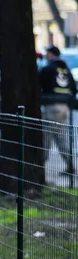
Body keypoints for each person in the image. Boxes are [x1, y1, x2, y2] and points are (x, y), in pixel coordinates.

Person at [39, 45, 76, 176]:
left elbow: (38, 84)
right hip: (64, 106)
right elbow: (73, 88)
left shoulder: (48, 69)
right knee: (62, 137)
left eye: (47, 53)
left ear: (51, 54)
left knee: (47, 137)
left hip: (52, 106)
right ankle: (70, 165)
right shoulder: (65, 69)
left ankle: (39, 165)